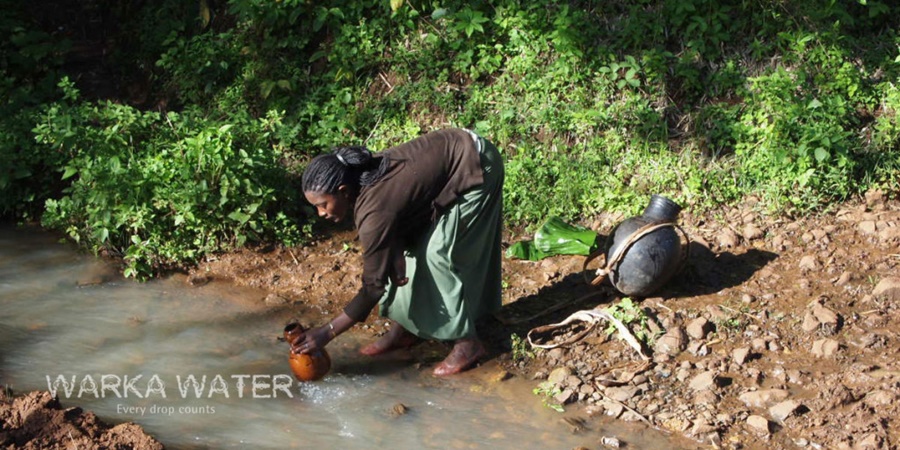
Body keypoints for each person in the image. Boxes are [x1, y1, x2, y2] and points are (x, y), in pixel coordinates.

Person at [291, 128, 504, 376]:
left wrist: (327, 332)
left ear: (342, 191)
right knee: (406, 255)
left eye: (322, 205)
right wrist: (396, 248)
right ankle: (405, 330)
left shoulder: (373, 212)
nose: (321, 214)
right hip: (451, 160)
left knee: (436, 256)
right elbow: (401, 206)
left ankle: (467, 344)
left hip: (477, 164)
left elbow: (372, 287)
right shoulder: (362, 179)